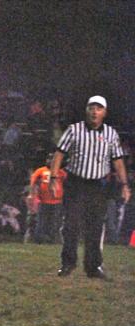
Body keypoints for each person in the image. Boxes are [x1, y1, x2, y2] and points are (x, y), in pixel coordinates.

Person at [51, 96, 131, 279]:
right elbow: (59, 154)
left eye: (99, 108)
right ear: (86, 110)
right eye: (92, 108)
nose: (95, 112)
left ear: (104, 112)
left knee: (95, 227)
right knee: (71, 224)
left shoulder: (111, 134)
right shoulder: (74, 130)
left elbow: (118, 161)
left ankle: (93, 267)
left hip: (97, 185)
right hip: (76, 182)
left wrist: (125, 185)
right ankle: (68, 263)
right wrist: (53, 178)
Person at [30, 154, 66, 244]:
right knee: (41, 221)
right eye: (49, 159)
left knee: (55, 222)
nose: (50, 161)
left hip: (57, 201)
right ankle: (39, 239)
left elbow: (67, 183)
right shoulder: (41, 170)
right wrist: (33, 194)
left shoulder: (61, 172)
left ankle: (52, 239)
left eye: (52, 159)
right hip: (43, 200)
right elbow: (33, 182)